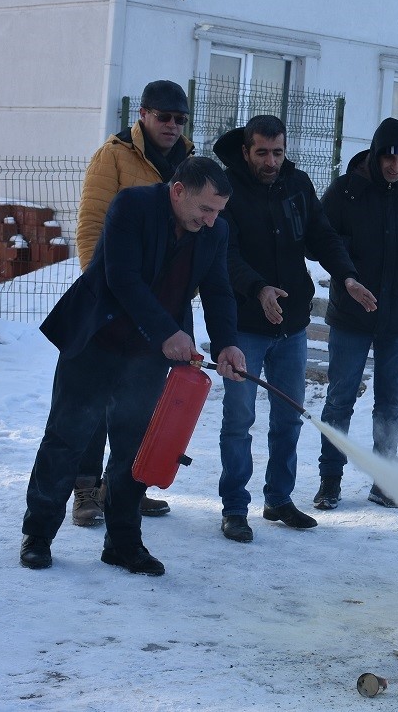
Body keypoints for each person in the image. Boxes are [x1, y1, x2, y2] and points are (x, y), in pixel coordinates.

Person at [19, 157, 246, 574]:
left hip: (147, 359)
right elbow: (122, 278)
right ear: (178, 192)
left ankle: (123, 544)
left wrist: (228, 343)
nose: (212, 221)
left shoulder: (216, 231)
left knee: (135, 449)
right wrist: (167, 332)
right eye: (205, 210)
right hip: (96, 342)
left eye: (218, 212)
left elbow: (218, 290)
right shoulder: (132, 206)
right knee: (66, 439)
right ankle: (38, 535)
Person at [213, 114, 376, 543]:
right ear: (246, 150)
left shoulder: (297, 184)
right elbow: (224, 256)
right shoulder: (226, 190)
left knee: (289, 417)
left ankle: (279, 498)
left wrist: (347, 275)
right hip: (246, 325)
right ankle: (234, 507)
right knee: (239, 420)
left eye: (278, 152)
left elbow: (323, 237)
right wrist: (258, 288)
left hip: (292, 325)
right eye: (262, 153)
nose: (271, 162)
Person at [70, 79, 195, 525]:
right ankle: (85, 489)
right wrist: (99, 292)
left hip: (160, 310)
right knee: (98, 399)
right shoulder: (115, 155)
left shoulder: (188, 162)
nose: (172, 126)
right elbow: (92, 225)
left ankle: (124, 485)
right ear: (143, 115)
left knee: (142, 400)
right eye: (164, 117)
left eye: (180, 119)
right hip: (112, 301)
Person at [314, 117, 398, 510]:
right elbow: (320, 240)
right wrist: (349, 260)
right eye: (388, 157)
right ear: (375, 154)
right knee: (339, 400)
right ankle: (330, 480)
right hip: (352, 313)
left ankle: (384, 481)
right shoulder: (346, 189)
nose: (394, 166)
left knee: (390, 403)